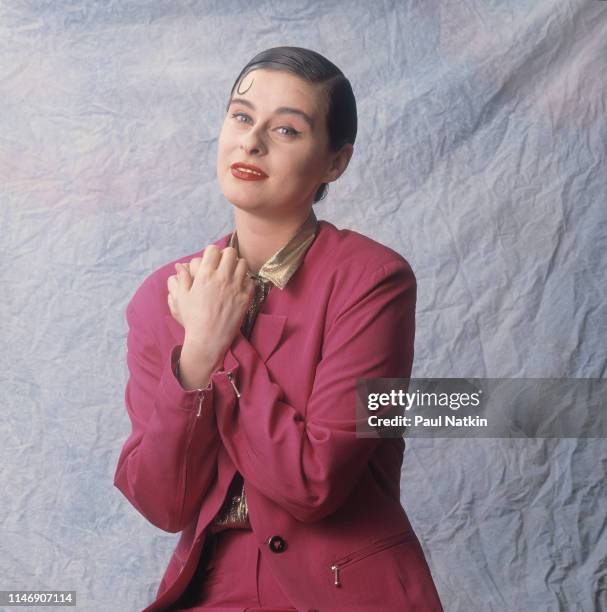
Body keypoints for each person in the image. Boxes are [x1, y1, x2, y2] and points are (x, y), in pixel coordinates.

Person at [113, 46, 444, 612]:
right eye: (242, 117)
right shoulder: (162, 298)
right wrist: (193, 358)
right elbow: (162, 503)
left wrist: (220, 345)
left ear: (335, 163)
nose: (252, 141)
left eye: (287, 129)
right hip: (210, 588)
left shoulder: (374, 281)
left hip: (343, 590)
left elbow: (314, 483)